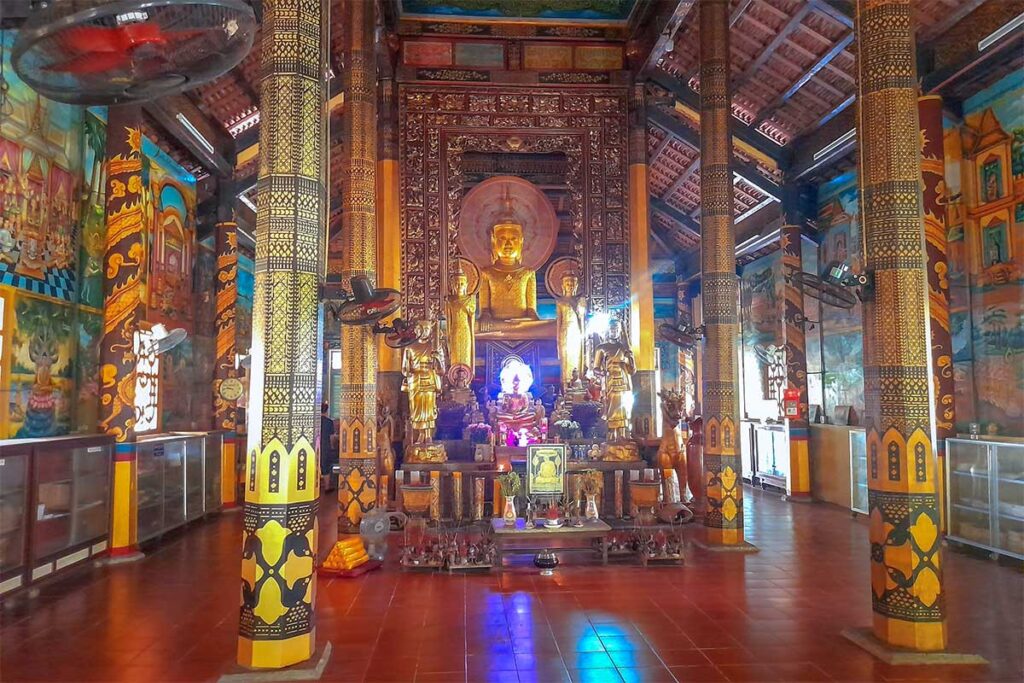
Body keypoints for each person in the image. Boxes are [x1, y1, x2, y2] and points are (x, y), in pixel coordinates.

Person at [320, 402, 338, 492]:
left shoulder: (315, 421)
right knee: (326, 466)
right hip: (325, 446)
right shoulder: (329, 422)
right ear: (327, 411)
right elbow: (331, 437)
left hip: (316, 446)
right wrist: (332, 446)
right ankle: (327, 487)